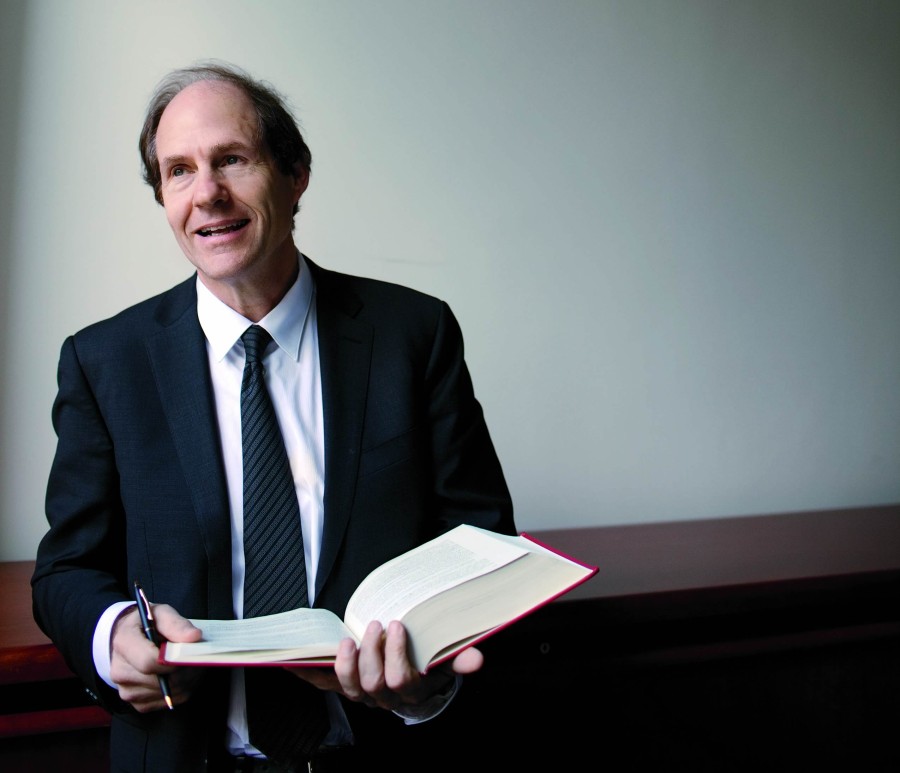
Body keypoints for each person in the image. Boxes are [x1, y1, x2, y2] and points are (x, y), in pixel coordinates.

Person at [31, 61, 515, 773]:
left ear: (296, 174)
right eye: (179, 171)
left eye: (232, 159)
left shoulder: (413, 334)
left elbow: (480, 540)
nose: (207, 194)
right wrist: (113, 637)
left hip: (380, 748)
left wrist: (426, 678)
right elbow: (67, 568)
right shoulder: (105, 363)